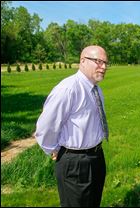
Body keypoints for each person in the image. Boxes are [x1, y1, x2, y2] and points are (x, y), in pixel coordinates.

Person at [35, 45, 109, 207]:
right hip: (75, 163)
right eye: (98, 61)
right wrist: (52, 149)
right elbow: (46, 125)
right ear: (82, 61)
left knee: (93, 202)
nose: (103, 67)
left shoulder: (96, 89)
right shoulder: (68, 88)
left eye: (105, 63)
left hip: (96, 157)